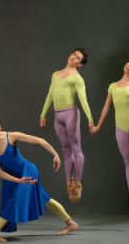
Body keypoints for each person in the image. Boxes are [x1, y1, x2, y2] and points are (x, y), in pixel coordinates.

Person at [0, 113, 79, 243]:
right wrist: (17, 180)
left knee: (16, 200)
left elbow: (38, 140)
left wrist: (55, 154)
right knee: (45, 199)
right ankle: (70, 223)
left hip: (27, 171)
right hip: (11, 178)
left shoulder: (11, 136)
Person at [39, 47, 94, 203]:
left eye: (78, 58)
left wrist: (90, 119)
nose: (74, 58)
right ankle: (69, 183)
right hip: (58, 116)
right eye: (74, 54)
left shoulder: (77, 78)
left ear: (80, 64)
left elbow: (83, 99)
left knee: (76, 148)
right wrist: (43, 114)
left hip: (71, 114)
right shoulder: (55, 74)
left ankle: (77, 182)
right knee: (66, 150)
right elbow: (50, 94)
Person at [91, 59, 129, 211]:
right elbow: (106, 108)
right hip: (120, 128)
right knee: (128, 161)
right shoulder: (113, 86)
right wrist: (98, 126)